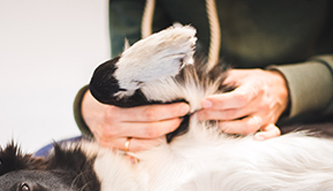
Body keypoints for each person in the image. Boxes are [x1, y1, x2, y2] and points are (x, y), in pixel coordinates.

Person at [73, 0, 333, 152]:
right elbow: (135, 64)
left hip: (314, 111)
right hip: (199, 120)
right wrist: (91, 106)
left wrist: (289, 87)